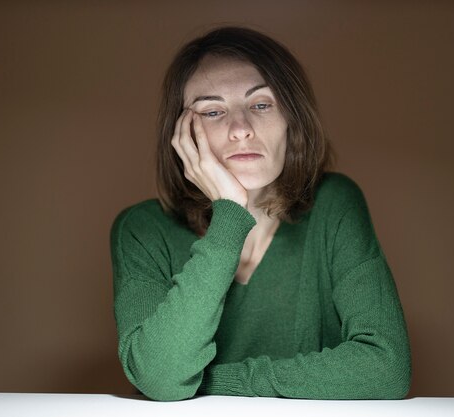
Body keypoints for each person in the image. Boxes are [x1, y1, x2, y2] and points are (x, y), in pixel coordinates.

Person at [110, 26, 411, 401]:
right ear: (182, 133)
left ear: (292, 119)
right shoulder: (142, 229)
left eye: (262, 104)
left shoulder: (335, 202)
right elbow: (159, 375)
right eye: (213, 110)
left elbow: (385, 369)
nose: (241, 129)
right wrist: (230, 214)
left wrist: (208, 384)